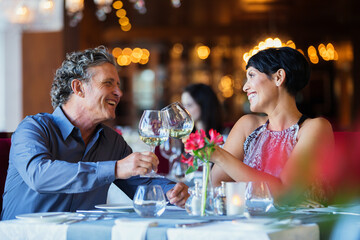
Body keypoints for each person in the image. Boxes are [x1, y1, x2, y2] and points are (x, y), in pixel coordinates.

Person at [1, 46, 188, 220]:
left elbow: (142, 183)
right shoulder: (33, 128)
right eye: (108, 83)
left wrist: (171, 191)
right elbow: (39, 176)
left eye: (118, 85)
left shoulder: (112, 141)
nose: (119, 93)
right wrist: (114, 169)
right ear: (78, 88)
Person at [210, 47, 334, 204]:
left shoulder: (315, 128)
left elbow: (285, 194)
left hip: (301, 225)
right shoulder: (247, 125)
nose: (245, 87)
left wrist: (220, 155)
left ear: (279, 77)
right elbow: (217, 185)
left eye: (252, 76)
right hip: (251, 222)